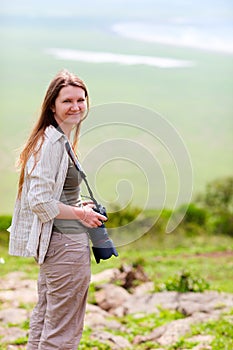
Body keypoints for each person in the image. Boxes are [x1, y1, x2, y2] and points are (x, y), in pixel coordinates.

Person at [9, 69, 107, 349]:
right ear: (52, 105)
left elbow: (52, 196)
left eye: (81, 99)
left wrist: (78, 205)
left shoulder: (55, 139)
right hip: (64, 246)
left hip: (57, 244)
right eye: (67, 101)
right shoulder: (51, 143)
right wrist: (82, 214)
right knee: (63, 331)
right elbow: (39, 202)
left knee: (45, 322)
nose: (76, 106)